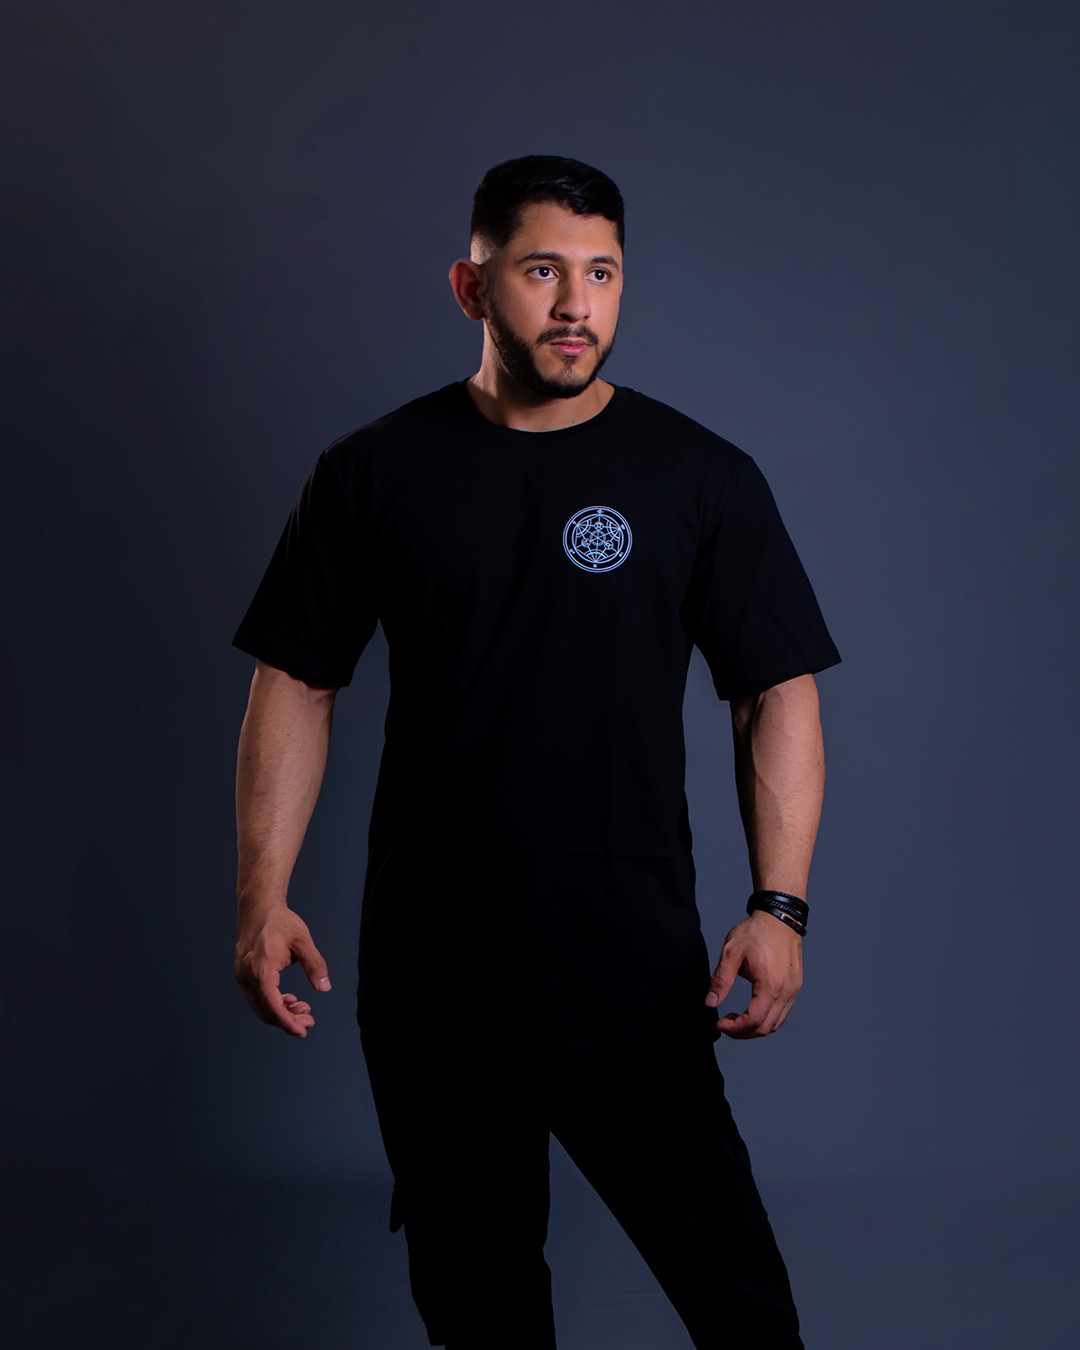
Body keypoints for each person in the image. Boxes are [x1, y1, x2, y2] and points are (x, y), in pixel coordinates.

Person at [232, 154, 840, 1349]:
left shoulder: (698, 476)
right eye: (543, 271)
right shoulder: (372, 471)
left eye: (601, 273)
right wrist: (262, 896)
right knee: (481, 1309)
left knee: (740, 1305)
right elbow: (297, 679)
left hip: (630, 968)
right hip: (436, 977)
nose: (576, 304)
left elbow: (774, 691)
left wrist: (781, 905)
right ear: (472, 287)